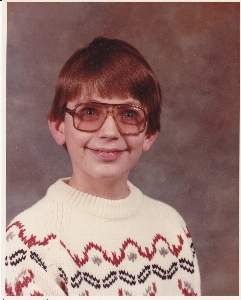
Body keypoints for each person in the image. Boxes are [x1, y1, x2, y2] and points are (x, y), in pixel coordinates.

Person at [5, 37, 201, 296]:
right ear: (58, 127)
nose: (110, 132)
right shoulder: (29, 241)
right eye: (89, 112)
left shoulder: (172, 229)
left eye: (129, 114)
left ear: (150, 134)